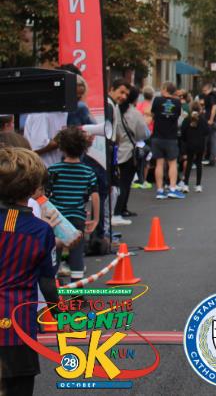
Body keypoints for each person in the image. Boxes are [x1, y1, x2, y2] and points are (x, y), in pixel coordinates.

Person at [0, 147, 59, 396]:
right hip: (17, 326)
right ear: (34, 187)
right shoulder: (40, 231)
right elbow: (47, 283)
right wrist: (58, 313)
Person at [46, 127, 99, 280]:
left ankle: (55, 286)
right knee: (77, 252)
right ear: (84, 148)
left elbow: (46, 195)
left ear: (61, 148)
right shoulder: (88, 171)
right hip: (77, 216)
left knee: (54, 251)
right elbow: (95, 196)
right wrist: (95, 219)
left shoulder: (53, 170)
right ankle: (77, 288)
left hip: (57, 218)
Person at [150, 82, 184, 200]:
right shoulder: (177, 102)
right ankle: (172, 189)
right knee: (172, 163)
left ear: (165, 89)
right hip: (171, 137)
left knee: (159, 164)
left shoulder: (157, 100)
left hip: (157, 136)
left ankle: (160, 190)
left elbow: (152, 114)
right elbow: (178, 116)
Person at [106, 78, 132, 227]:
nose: (123, 96)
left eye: (126, 94)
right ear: (111, 89)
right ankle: (107, 224)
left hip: (112, 151)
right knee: (110, 190)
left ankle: (108, 223)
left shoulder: (113, 105)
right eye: (121, 92)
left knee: (112, 189)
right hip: (109, 152)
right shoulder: (109, 106)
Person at [181, 103, 210, 193]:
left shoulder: (186, 120)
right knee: (199, 163)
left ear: (190, 109)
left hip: (190, 144)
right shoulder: (203, 120)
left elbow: (183, 132)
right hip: (200, 144)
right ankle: (198, 185)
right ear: (200, 109)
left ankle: (186, 185)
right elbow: (207, 131)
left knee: (189, 163)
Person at [198, 83, 216, 166]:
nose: (203, 92)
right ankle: (212, 158)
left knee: (206, 139)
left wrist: (211, 119)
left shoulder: (210, 97)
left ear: (209, 89)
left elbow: (214, 107)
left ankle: (205, 157)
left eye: (205, 90)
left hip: (211, 121)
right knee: (213, 140)